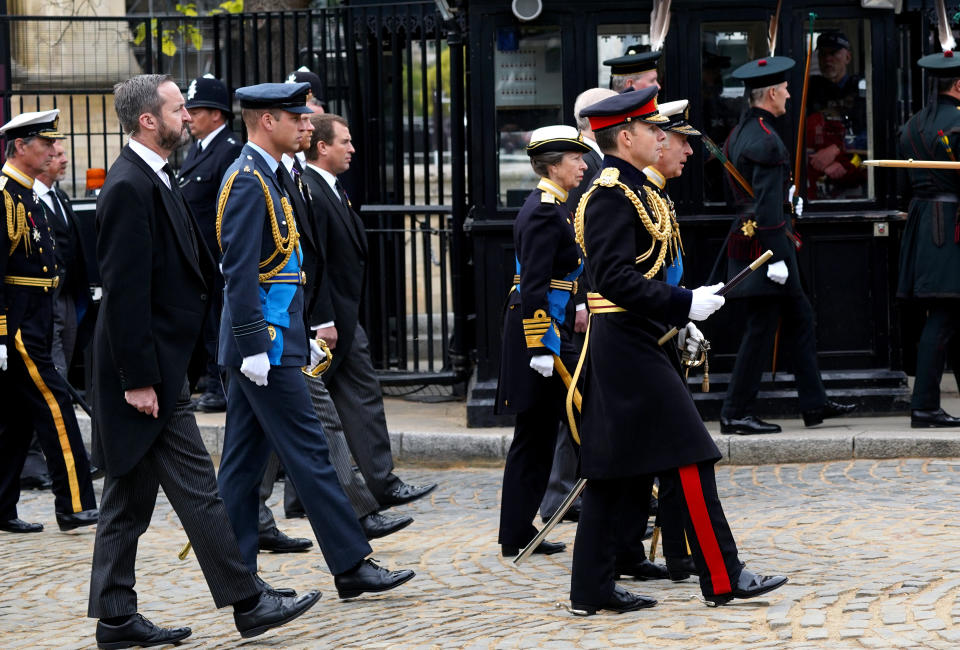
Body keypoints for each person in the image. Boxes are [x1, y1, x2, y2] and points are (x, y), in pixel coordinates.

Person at [88, 74, 318, 647]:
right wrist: (139, 381)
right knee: (199, 490)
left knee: (126, 497)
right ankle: (248, 601)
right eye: (177, 108)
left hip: (159, 370)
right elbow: (124, 294)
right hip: (146, 378)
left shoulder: (155, 175)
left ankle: (116, 617)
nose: (188, 116)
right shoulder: (127, 186)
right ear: (148, 120)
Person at [569, 85, 788, 615]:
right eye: (652, 130)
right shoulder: (609, 193)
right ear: (627, 136)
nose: (661, 138)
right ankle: (722, 574)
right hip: (625, 342)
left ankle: (590, 591)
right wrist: (683, 302)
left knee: (613, 469)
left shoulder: (629, 188)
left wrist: (682, 308)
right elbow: (614, 278)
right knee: (691, 453)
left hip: (636, 337)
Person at [214, 82, 415, 600]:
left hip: (276, 342)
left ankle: (240, 585)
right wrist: (255, 346)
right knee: (310, 454)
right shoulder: (248, 180)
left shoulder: (274, 176)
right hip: (266, 350)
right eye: (296, 117)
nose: (308, 125)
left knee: (239, 467)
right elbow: (239, 273)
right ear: (265, 121)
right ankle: (351, 565)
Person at [304, 112, 438, 508]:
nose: (352, 149)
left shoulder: (330, 187)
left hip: (342, 317)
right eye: (344, 141)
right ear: (323, 146)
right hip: (330, 322)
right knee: (321, 407)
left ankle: (368, 485)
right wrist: (323, 320)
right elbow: (315, 263)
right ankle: (380, 484)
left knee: (337, 404)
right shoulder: (312, 189)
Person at [719, 56, 855, 435]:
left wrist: (787, 196)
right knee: (761, 328)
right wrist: (777, 257)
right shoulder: (766, 140)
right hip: (766, 245)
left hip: (754, 237)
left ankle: (814, 402)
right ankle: (735, 412)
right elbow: (764, 207)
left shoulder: (740, 133)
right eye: (786, 89)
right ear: (773, 93)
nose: (790, 95)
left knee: (800, 319)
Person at [0, 109, 99, 534]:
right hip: (20, 323)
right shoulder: (5, 195)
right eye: (45, 143)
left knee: (18, 419)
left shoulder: (26, 194)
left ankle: (1, 506)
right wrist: (3, 331)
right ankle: (74, 504)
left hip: (36, 316)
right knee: (57, 406)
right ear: (21, 147)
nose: (53, 151)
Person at [494, 124, 589, 557]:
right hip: (540, 333)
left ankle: (517, 531)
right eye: (576, 160)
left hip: (553, 326)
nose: (583, 166)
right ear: (553, 165)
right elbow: (533, 283)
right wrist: (540, 347)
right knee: (539, 432)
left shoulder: (558, 207)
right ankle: (516, 532)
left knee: (537, 434)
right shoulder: (543, 211)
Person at [538, 88, 617, 526]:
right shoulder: (582, 165)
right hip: (581, 299)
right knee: (576, 397)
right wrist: (583, 298)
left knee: (583, 397)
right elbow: (580, 240)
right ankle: (561, 494)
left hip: (585, 296)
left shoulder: (590, 161)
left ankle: (567, 491)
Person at [897, 50, 960, 428]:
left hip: (924, 223)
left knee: (953, 314)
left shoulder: (912, 125)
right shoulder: (957, 124)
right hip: (949, 226)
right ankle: (923, 405)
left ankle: (926, 403)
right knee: (945, 314)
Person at [178, 74, 243, 413]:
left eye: (196, 110)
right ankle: (208, 380)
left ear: (217, 114)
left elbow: (229, 209)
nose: (188, 117)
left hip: (217, 260)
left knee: (218, 325)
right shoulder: (198, 151)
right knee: (205, 325)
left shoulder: (228, 151)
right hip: (198, 260)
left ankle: (220, 386)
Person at [805, 31, 867, 200]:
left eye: (833, 53)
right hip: (816, 173)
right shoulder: (809, 90)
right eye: (823, 54)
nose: (828, 59)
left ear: (848, 57)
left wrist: (839, 151)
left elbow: (873, 134)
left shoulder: (861, 89)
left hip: (855, 171)